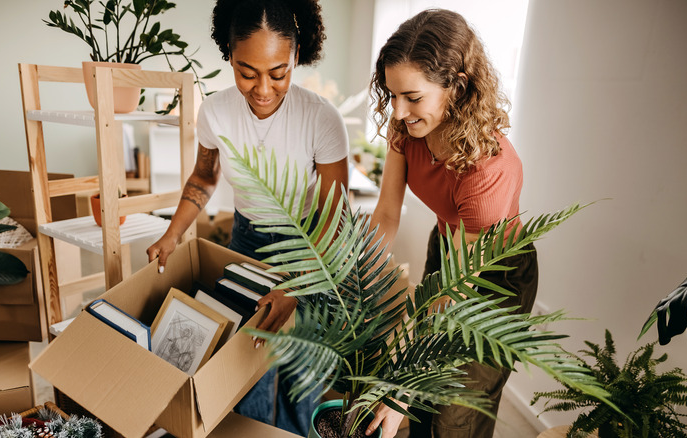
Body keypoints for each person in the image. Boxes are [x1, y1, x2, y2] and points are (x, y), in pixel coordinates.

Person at [146, 0, 348, 435]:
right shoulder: (216, 112)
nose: (262, 89)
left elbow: (335, 217)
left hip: (311, 251)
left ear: (296, 56)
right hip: (247, 242)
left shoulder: (321, 119)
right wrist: (172, 234)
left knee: (300, 372)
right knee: (245, 362)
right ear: (229, 55)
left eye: (279, 73)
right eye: (246, 72)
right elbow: (204, 176)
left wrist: (297, 284)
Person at [364, 9, 538, 438]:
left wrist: (398, 386)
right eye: (392, 95)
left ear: (456, 86)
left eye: (413, 97)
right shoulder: (406, 127)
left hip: (498, 277)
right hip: (446, 247)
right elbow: (387, 213)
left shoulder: (490, 170)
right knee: (421, 402)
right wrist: (356, 271)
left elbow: (449, 295)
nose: (399, 111)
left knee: (455, 410)